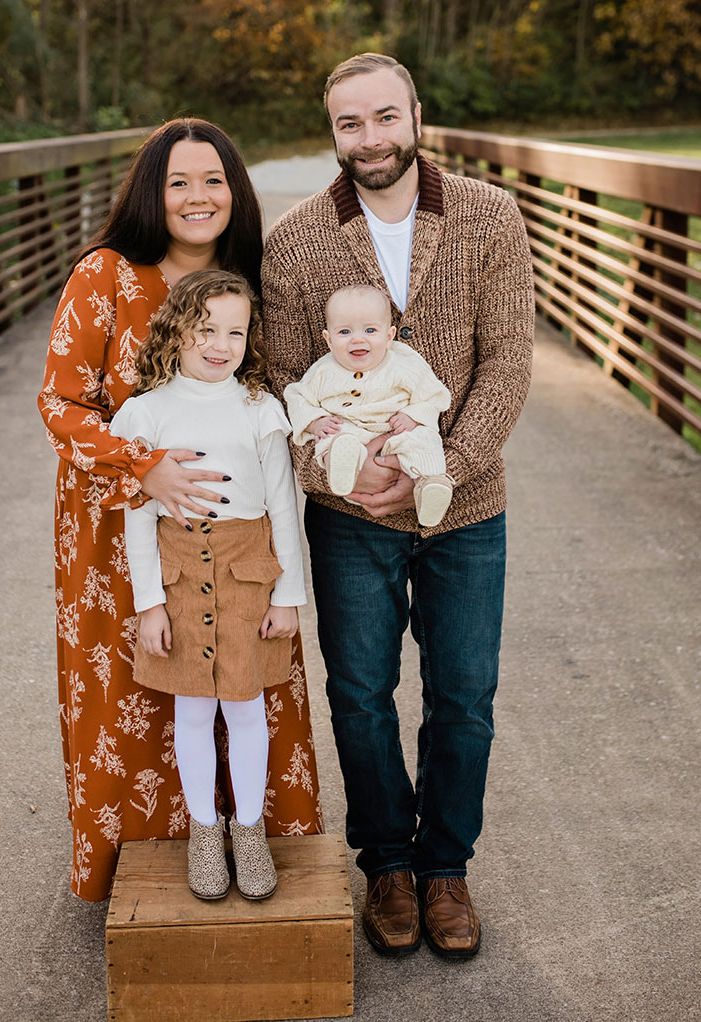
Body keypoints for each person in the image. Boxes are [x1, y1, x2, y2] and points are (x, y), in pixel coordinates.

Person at [262, 53, 534, 958]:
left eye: (385, 117)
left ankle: (446, 867)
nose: (370, 138)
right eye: (350, 123)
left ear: (417, 114)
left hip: (467, 505)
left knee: (464, 695)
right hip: (349, 515)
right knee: (361, 694)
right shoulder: (296, 241)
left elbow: (508, 362)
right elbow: (277, 381)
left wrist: (441, 466)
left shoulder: (491, 216)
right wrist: (329, 474)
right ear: (331, 131)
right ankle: (387, 863)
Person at [38, 118, 322, 903]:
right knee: (136, 685)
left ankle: (251, 837)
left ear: (236, 191)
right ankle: (150, 859)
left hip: (240, 543)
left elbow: (286, 396)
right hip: (116, 526)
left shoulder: (248, 279)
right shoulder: (107, 275)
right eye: (179, 183)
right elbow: (60, 404)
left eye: (214, 181)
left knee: (242, 682)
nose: (199, 198)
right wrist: (144, 468)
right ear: (149, 193)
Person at [108, 269, 304, 901]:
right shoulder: (146, 411)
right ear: (176, 332)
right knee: (192, 710)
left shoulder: (259, 408)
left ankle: (248, 832)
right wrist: (150, 605)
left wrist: (289, 596)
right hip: (180, 575)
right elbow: (138, 515)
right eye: (206, 330)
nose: (221, 344)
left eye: (236, 332)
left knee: (246, 707)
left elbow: (283, 506)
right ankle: (203, 831)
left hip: (248, 573)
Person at [284, 283, 452, 526]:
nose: (357, 339)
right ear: (328, 339)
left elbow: (434, 395)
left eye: (370, 330)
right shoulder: (323, 369)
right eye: (344, 332)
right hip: (348, 430)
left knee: (423, 440)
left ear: (389, 335)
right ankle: (341, 465)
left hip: (397, 431)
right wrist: (315, 422)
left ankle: (431, 485)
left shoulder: (404, 363)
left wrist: (414, 416)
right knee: (333, 437)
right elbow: (298, 397)